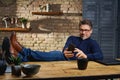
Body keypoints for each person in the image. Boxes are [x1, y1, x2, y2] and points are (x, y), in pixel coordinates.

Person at [2, 19, 103, 64]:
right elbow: (66, 48)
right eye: (81, 29)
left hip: (74, 62)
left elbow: (100, 55)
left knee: (48, 55)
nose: (83, 32)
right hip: (63, 57)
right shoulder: (72, 38)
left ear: (91, 31)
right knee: (51, 55)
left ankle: (19, 52)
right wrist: (65, 51)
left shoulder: (93, 43)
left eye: (86, 30)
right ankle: (16, 55)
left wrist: (86, 56)